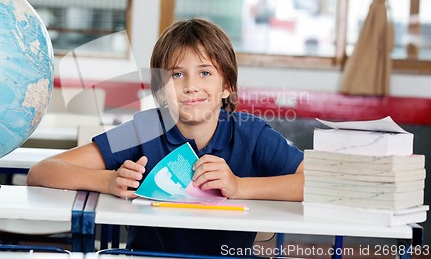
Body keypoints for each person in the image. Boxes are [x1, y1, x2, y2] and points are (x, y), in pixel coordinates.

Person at [27, 18, 304, 256]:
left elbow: (316, 183)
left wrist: (240, 186)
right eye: (177, 75)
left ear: (227, 87)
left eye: (205, 72)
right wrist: (107, 181)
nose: (191, 86)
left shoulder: (250, 134)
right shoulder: (144, 130)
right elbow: (43, 171)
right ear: (160, 91)